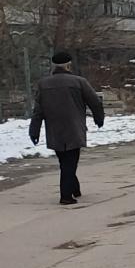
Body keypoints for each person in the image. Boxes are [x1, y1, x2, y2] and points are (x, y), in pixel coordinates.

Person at [27, 51, 105, 206]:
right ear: (69, 65)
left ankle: (74, 188)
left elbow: (38, 111)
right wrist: (99, 118)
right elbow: (95, 102)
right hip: (74, 128)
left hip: (54, 130)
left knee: (65, 161)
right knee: (70, 162)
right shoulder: (79, 82)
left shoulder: (43, 84)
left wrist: (34, 131)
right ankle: (66, 196)